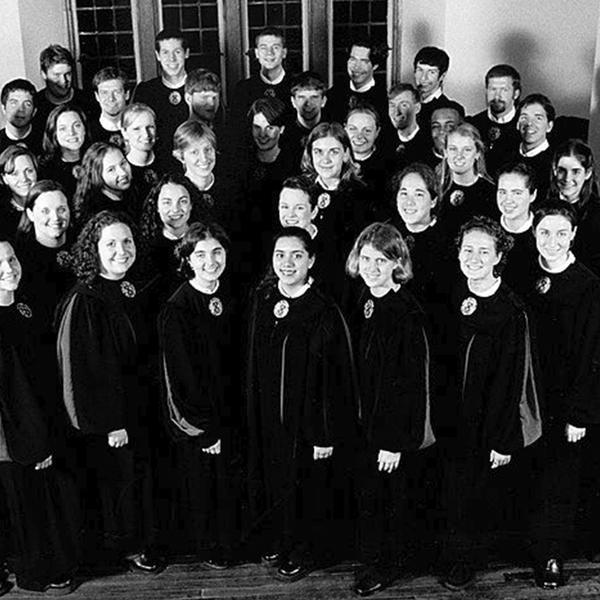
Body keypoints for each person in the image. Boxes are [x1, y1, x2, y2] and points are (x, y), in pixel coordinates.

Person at [246, 226, 357, 581]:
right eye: (280, 255)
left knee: (308, 489)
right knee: (276, 482)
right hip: (270, 421)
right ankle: (282, 539)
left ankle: (305, 550)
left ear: (311, 260)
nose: (287, 263)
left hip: (308, 427)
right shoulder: (263, 300)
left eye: (297, 255)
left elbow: (336, 382)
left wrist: (324, 433)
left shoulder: (323, 309)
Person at [441, 216, 541, 591]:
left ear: (499, 255)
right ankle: (448, 554)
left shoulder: (511, 310)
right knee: (448, 490)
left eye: (484, 250)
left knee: (474, 495)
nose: (474, 257)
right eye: (468, 250)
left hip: (488, 424)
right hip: (451, 419)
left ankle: (465, 562)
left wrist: (503, 438)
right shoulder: (450, 296)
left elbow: (514, 380)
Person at [56, 210, 159, 572]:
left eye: (127, 241)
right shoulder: (84, 299)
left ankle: (145, 542)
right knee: (119, 487)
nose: (121, 250)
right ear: (93, 250)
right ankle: (127, 548)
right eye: (111, 243)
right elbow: (81, 373)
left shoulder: (131, 287)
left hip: (141, 411)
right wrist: (112, 423)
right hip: (112, 423)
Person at [345, 222, 435, 596]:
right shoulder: (367, 299)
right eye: (366, 259)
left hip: (391, 431)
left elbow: (410, 385)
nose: (371, 267)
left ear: (397, 263)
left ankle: (386, 566)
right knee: (371, 496)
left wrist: (393, 441)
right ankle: (374, 559)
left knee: (390, 500)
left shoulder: (404, 312)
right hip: (368, 421)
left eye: (381, 260)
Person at [526, 203, 600, 588]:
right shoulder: (526, 276)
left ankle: (552, 555)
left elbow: (593, 354)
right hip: (530, 399)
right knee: (530, 476)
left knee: (559, 481)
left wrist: (579, 413)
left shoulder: (587, 285)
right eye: (544, 233)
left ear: (572, 235)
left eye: (559, 233)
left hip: (566, 403)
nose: (551, 241)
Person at [158, 222, 241, 565]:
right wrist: (207, 429)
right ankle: (212, 549)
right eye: (201, 254)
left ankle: (233, 542)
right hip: (201, 422)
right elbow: (183, 378)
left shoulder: (233, 295)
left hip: (232, 414)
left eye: (217, 252)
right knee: (206, 488)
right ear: (188, 259)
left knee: (230, 486)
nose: (211, 260)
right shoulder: (177, 308)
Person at [0, 239, 79, 595]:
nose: (8, 268)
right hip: (12, 437)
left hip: (37, 425)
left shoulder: (23, 307)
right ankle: (35, 575)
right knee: (24, 508)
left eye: (11, 259)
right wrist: (34, 443)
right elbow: (13, 393)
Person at [301, 122, 368, 298]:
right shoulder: (301, 191)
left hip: (344, 288)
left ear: (346, 154)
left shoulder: (361, 195)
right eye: (318, 152)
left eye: (334, 151)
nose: (325, 159)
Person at [15, 180, 73, 328]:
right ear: (30, 214)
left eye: (61, 209)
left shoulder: (82, 243)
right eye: (45, 211)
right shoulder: (21, 258)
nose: (55, 217)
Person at [132, 29, 190, 164]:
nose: (172, 58)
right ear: (158, 55)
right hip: (157, 164)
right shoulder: (145, 91)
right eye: (165, 52)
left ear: (186, 53)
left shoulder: (200, 87)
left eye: (177, 52)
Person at [172, 120, 238, 235]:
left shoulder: (232, 188)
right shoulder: (174, 192)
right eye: (194, 152)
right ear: (181, 157)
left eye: (208, 150)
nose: (204, 158)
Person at [546, 139, 600, 275]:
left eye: (576, 171)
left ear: (587, 173)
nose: (567, 178)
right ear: (554, 169)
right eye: (561, 170)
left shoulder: (596, 213)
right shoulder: (540, 202)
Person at [139, 172, 193, 299]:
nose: (175, 209)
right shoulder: (145, 246)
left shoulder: (204, 241)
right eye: (167, 202)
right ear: (157, 206)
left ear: (191, 205)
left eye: (183, 201)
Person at [438, 123, 497, 237]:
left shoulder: (491, 193)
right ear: (445, 153)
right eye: (453, 149)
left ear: (477, 154)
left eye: (467, 150)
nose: (459, 156)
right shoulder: (436, 189)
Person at [229, 26, 292, 132]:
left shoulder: (295, 86)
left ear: (284, 53)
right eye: (264, 48)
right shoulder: (243, 88)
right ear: (257, 53)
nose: (269, 53)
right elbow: (237, 128)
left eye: (275, 47)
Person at [468, 65, 521, 176]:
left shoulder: (524, 126)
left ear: (516, 94)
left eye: (504, 90)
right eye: (493, 89)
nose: (497, 96)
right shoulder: (474, 124)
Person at [496, 162, 538, 297]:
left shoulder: (543, 234)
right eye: (502, 192)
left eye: (517, 193)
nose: (508, 200)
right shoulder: (487, 230)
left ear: (533, 195)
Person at [72, 142, 136, 230]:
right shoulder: (97, 213)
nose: (123, 172)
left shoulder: (133, 192)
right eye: (111, 169)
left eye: (123, 163)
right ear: (97, 175)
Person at [33, 44, 95, 136]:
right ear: (44, 74)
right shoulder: (36, 104)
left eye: (68, 74)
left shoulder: (88, 101)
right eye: (57, 75)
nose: (63, 81)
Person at [327, 37, 389, 124]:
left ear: (375, 66)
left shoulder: (384, 98)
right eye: (353, 59)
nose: (356, 66)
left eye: (363, 61)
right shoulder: (333, 94)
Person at [38, 103, 90, 201]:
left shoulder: (97, 160)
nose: (71, 132)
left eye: (77, 125)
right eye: (63, 129)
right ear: (54, 134)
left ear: (84, 129)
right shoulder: (45, 170)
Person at [344, 103, 387, 213]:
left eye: (367, 130)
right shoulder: (334, 163)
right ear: (344, 129)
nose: (359, 136)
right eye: (353, 129)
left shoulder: (387, 166)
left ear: (377, 132)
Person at [512, 93, 556, 201]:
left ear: (549, 126)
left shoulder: (555, 163)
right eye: (524, 117)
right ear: (517, 124)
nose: (529, 124)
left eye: (538, 118)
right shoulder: (505, 154)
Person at [280, 71, 328, 169]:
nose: (308, 103)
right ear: (293, 101)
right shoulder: (283, 134)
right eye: (302, 97)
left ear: (323, 101)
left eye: (314, 97)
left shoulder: (331, 131)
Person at [413, 46, 464, 129]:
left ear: (442, 76)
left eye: (431, 72)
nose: (423, 78)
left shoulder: (452, 109)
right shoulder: (406, 102)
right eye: (420, 70)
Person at [384, 83, 430, 171]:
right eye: (392, 105)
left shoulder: (428, 143)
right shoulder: (383, 142)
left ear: (417, 108)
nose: (396, 113)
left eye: (404, 105)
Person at [121, 103, 162, 203]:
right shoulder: (121, 170)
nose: (146, 134)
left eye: (150, 127)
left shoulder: (168, 162)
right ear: (124, 132)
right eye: (136, 129)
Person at [0, 145, 38, 239]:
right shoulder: (2, 214)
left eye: (29, 171)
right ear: (4, 179)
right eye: (14, 174)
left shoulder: (49, 203)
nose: (24, 179)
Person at [0, 79, 42, 155]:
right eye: (14, 103)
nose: (21, 109)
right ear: (3, 108)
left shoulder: (45, 141)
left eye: (27, 104)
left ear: (34, 111)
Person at [89, 66, 130, 147]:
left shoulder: (139, 127)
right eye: (104, 93)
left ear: (127, 94)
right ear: (97, 96)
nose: (111, 98)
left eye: (117, 92)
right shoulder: (88, 131)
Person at [428, 103, 464, 169]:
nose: (441, 131)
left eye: (449, 126)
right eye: (436, 126)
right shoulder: (418, 160)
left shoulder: (472, 162)